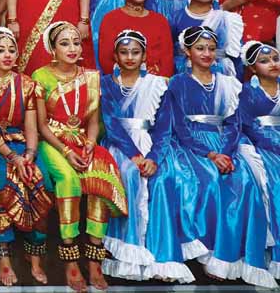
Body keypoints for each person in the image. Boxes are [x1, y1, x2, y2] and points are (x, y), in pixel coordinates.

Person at [144, 26, 273, 287]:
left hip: (224, 143)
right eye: (200, 48)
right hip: (191, 143)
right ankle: (199, 249)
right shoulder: (177, 83)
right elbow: (179, 127)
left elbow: (234, 124)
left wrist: (225, 152)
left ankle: (225, 256)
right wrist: (211, 154)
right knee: (200, 180)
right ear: (187, 51)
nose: (206, 53)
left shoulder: (228, 83)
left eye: (211, 49)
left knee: (245, 182)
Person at [32, 21, 128, 293]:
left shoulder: (91, 77)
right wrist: (65, 151)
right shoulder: (41, 76)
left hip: (82, 140)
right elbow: (41, 126)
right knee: (69, 181)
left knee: (102, 175)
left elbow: (93, 122)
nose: (72, 48)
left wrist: (90, 143)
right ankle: (71, 260)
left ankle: (95, 259)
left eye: (76, 42)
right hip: (53, 142)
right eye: (64, 43)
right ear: (52, 48)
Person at [0, 26, 52, 287]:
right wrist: (12, 157)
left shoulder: (27, 84)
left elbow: (32, 126)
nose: (7, 55)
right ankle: (3, 256)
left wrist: (29, 154)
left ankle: (34, 253)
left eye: (11, 50)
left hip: (23, 145)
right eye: (0, 50)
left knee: (41, 179)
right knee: (2, 181)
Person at [98, 30, 166, 281]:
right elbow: (111, 123)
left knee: (163, 179)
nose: (129, 57)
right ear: (115, 56)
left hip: (150, 143)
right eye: (124, 52)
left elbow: (164, 127)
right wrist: (135, 155)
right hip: (120, 144)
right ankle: (127, 249)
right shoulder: (106, 83)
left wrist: (154, 157)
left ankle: (158, 253)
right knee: (128, 174)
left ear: (144, 56)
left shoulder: (157, 84)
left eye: (135, 52)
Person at [238, 41, 280, 280]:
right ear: (252, 68)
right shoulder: (247, 91)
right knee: (274, 185)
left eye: (275, 59)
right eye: (264, 61)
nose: (272, 64)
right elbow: (247, 125)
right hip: (263, 146)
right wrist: (274, 143)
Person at [97, 0, 174, 77]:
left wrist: (154, 82)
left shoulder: (160, 21)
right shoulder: (111, 19)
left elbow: (167, 62)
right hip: (121, 82)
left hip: (155, 83)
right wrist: (127, 80)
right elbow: (106, 60)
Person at [170, 0, 244, 77]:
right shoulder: (175, 18)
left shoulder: (227, 19)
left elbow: (236, 56)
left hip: (219, 75)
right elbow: (167, 53)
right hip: (184, 74)